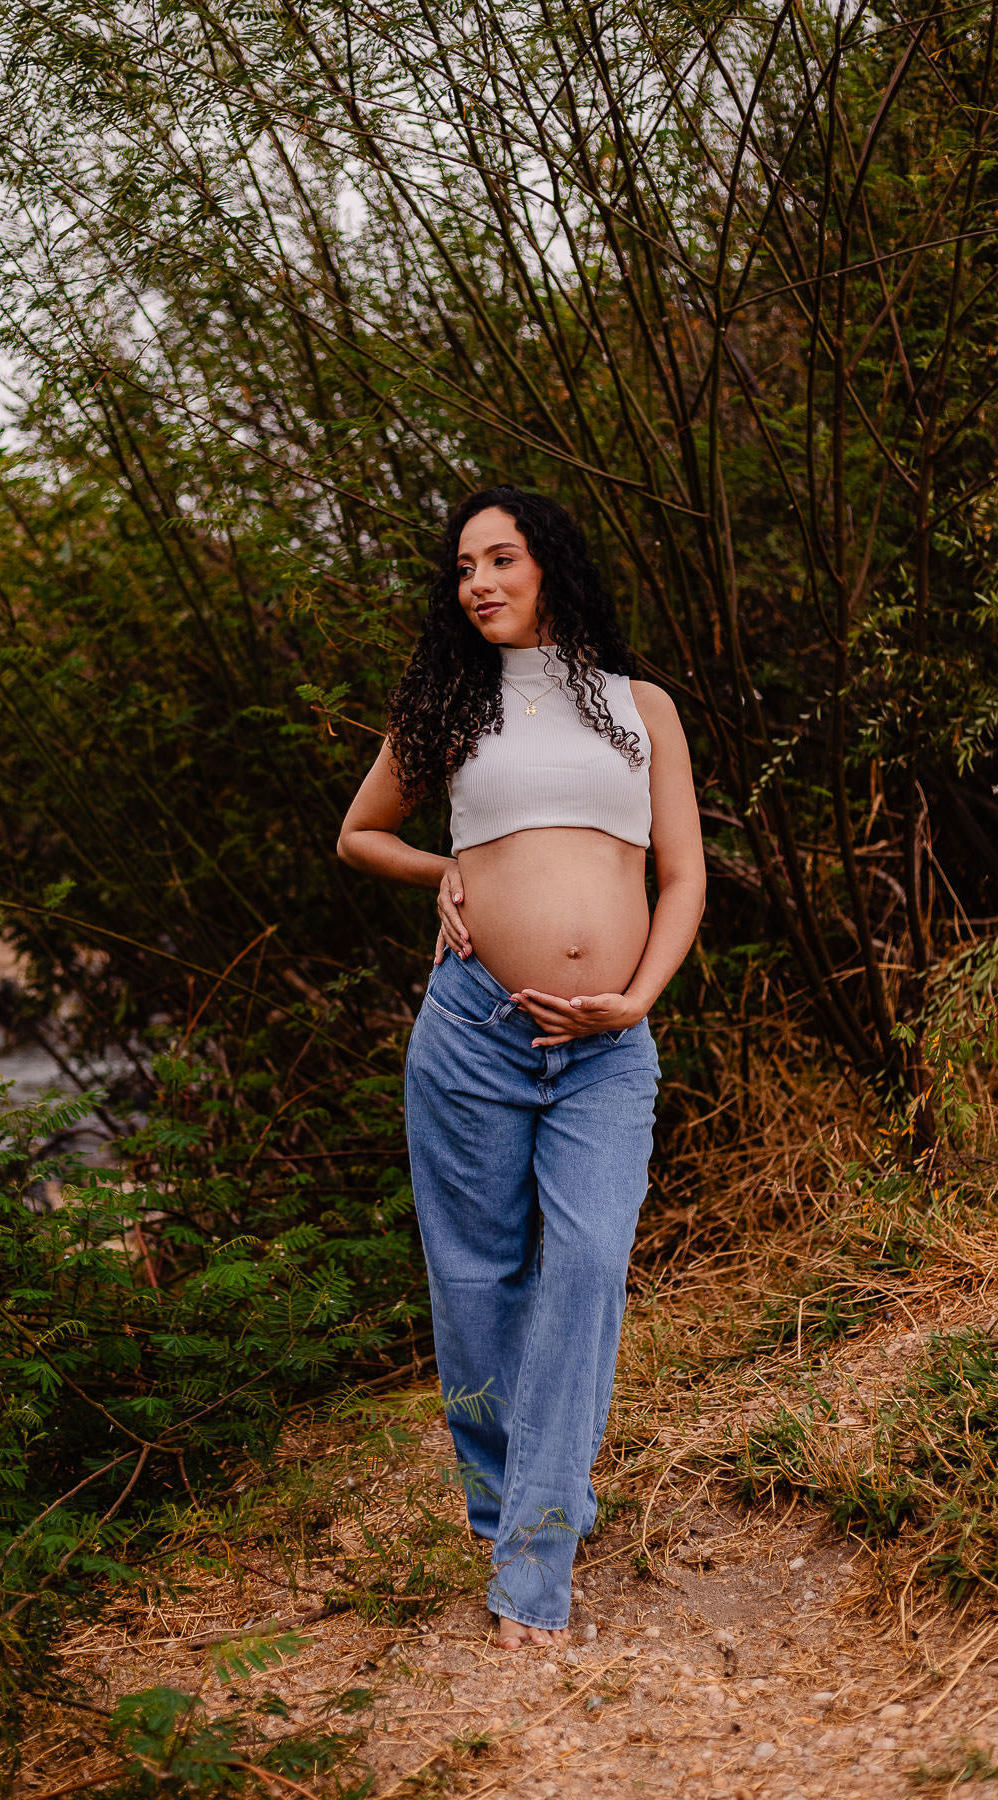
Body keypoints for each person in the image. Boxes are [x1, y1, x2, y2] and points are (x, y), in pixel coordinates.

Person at [336, 485, 705, 1648]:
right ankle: (511, 1507)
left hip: (607, 1048)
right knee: (476, 1278)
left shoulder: (638, 705)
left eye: (502, 560)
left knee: (587, 1266)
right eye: (463, 568)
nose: (480, 583)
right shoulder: (449, 703)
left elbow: (684, 877)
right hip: (474, 1031)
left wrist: (636, 1000)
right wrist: (443, 867)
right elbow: (358, 831)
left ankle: (532, 1563)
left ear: (552, 567)